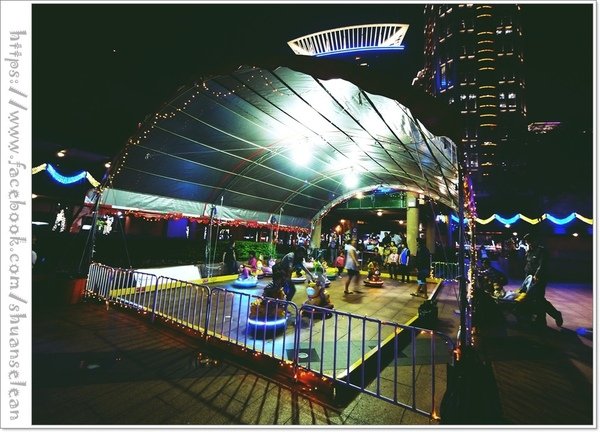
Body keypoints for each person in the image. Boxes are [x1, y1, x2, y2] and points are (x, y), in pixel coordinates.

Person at [521, 233, 563, 328]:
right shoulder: (529, 251)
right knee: (533, 299)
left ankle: (554, 315)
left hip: (539, 279)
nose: (529, 244)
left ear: (534, 241)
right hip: (529, 279)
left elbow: (542, 265)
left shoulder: (541, 251)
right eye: (527, 242)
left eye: (530, 241)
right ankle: (541, 320)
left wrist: (536, 276)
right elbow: (528, 264)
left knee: (539, 299)